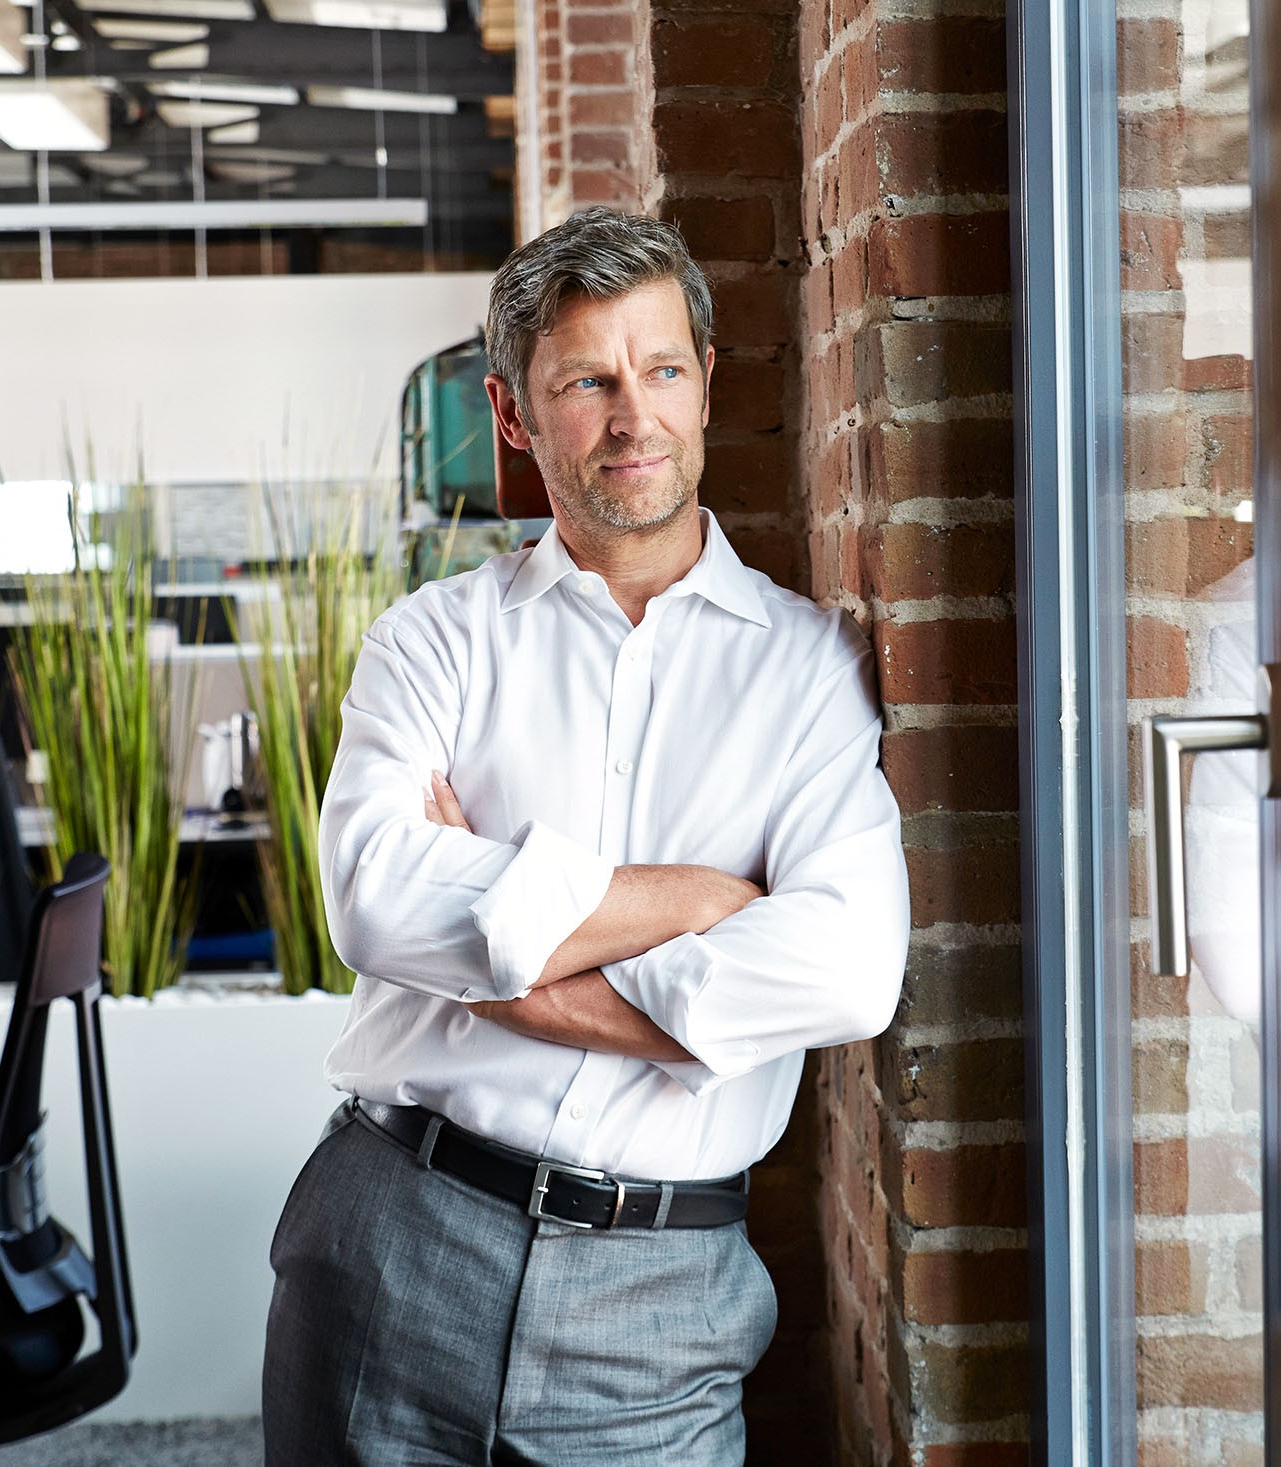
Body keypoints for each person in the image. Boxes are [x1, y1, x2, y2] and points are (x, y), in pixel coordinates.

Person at [262, 207, 911, 1463]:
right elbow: (377, 904)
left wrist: (512, 982)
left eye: (662, 369)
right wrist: (698, 900)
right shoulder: (433, 642)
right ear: (513, 413)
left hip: (657, 1303)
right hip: (396, 1238)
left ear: (708, 382)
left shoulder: (810, 670)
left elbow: (846, 969)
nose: (633, 419)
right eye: (585, 383)